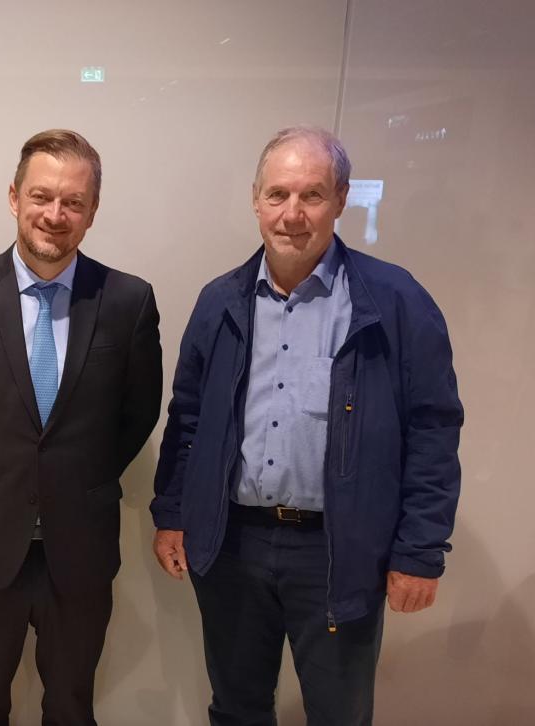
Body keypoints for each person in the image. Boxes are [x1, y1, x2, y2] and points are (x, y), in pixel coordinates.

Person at [150, 126, 464, 725]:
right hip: (233, 548)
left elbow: (433, 431)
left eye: (312, 195)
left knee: (338, 715)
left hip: (338, 554)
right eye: (278, 195)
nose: (292, 214)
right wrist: (172, 513)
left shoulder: (395, 301)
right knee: (237, 709)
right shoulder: (220, 301)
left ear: (341, 200)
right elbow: (188, 416)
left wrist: (420, 550)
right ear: (255, 199)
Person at [0, 129, 162, 725]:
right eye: (42, 197)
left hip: (80, 544)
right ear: (14, 197)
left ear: (92, 211)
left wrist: (67, 475)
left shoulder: (128, 301)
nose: (55, 215)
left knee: (73, 708)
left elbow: (138, 414)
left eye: (73, 202)